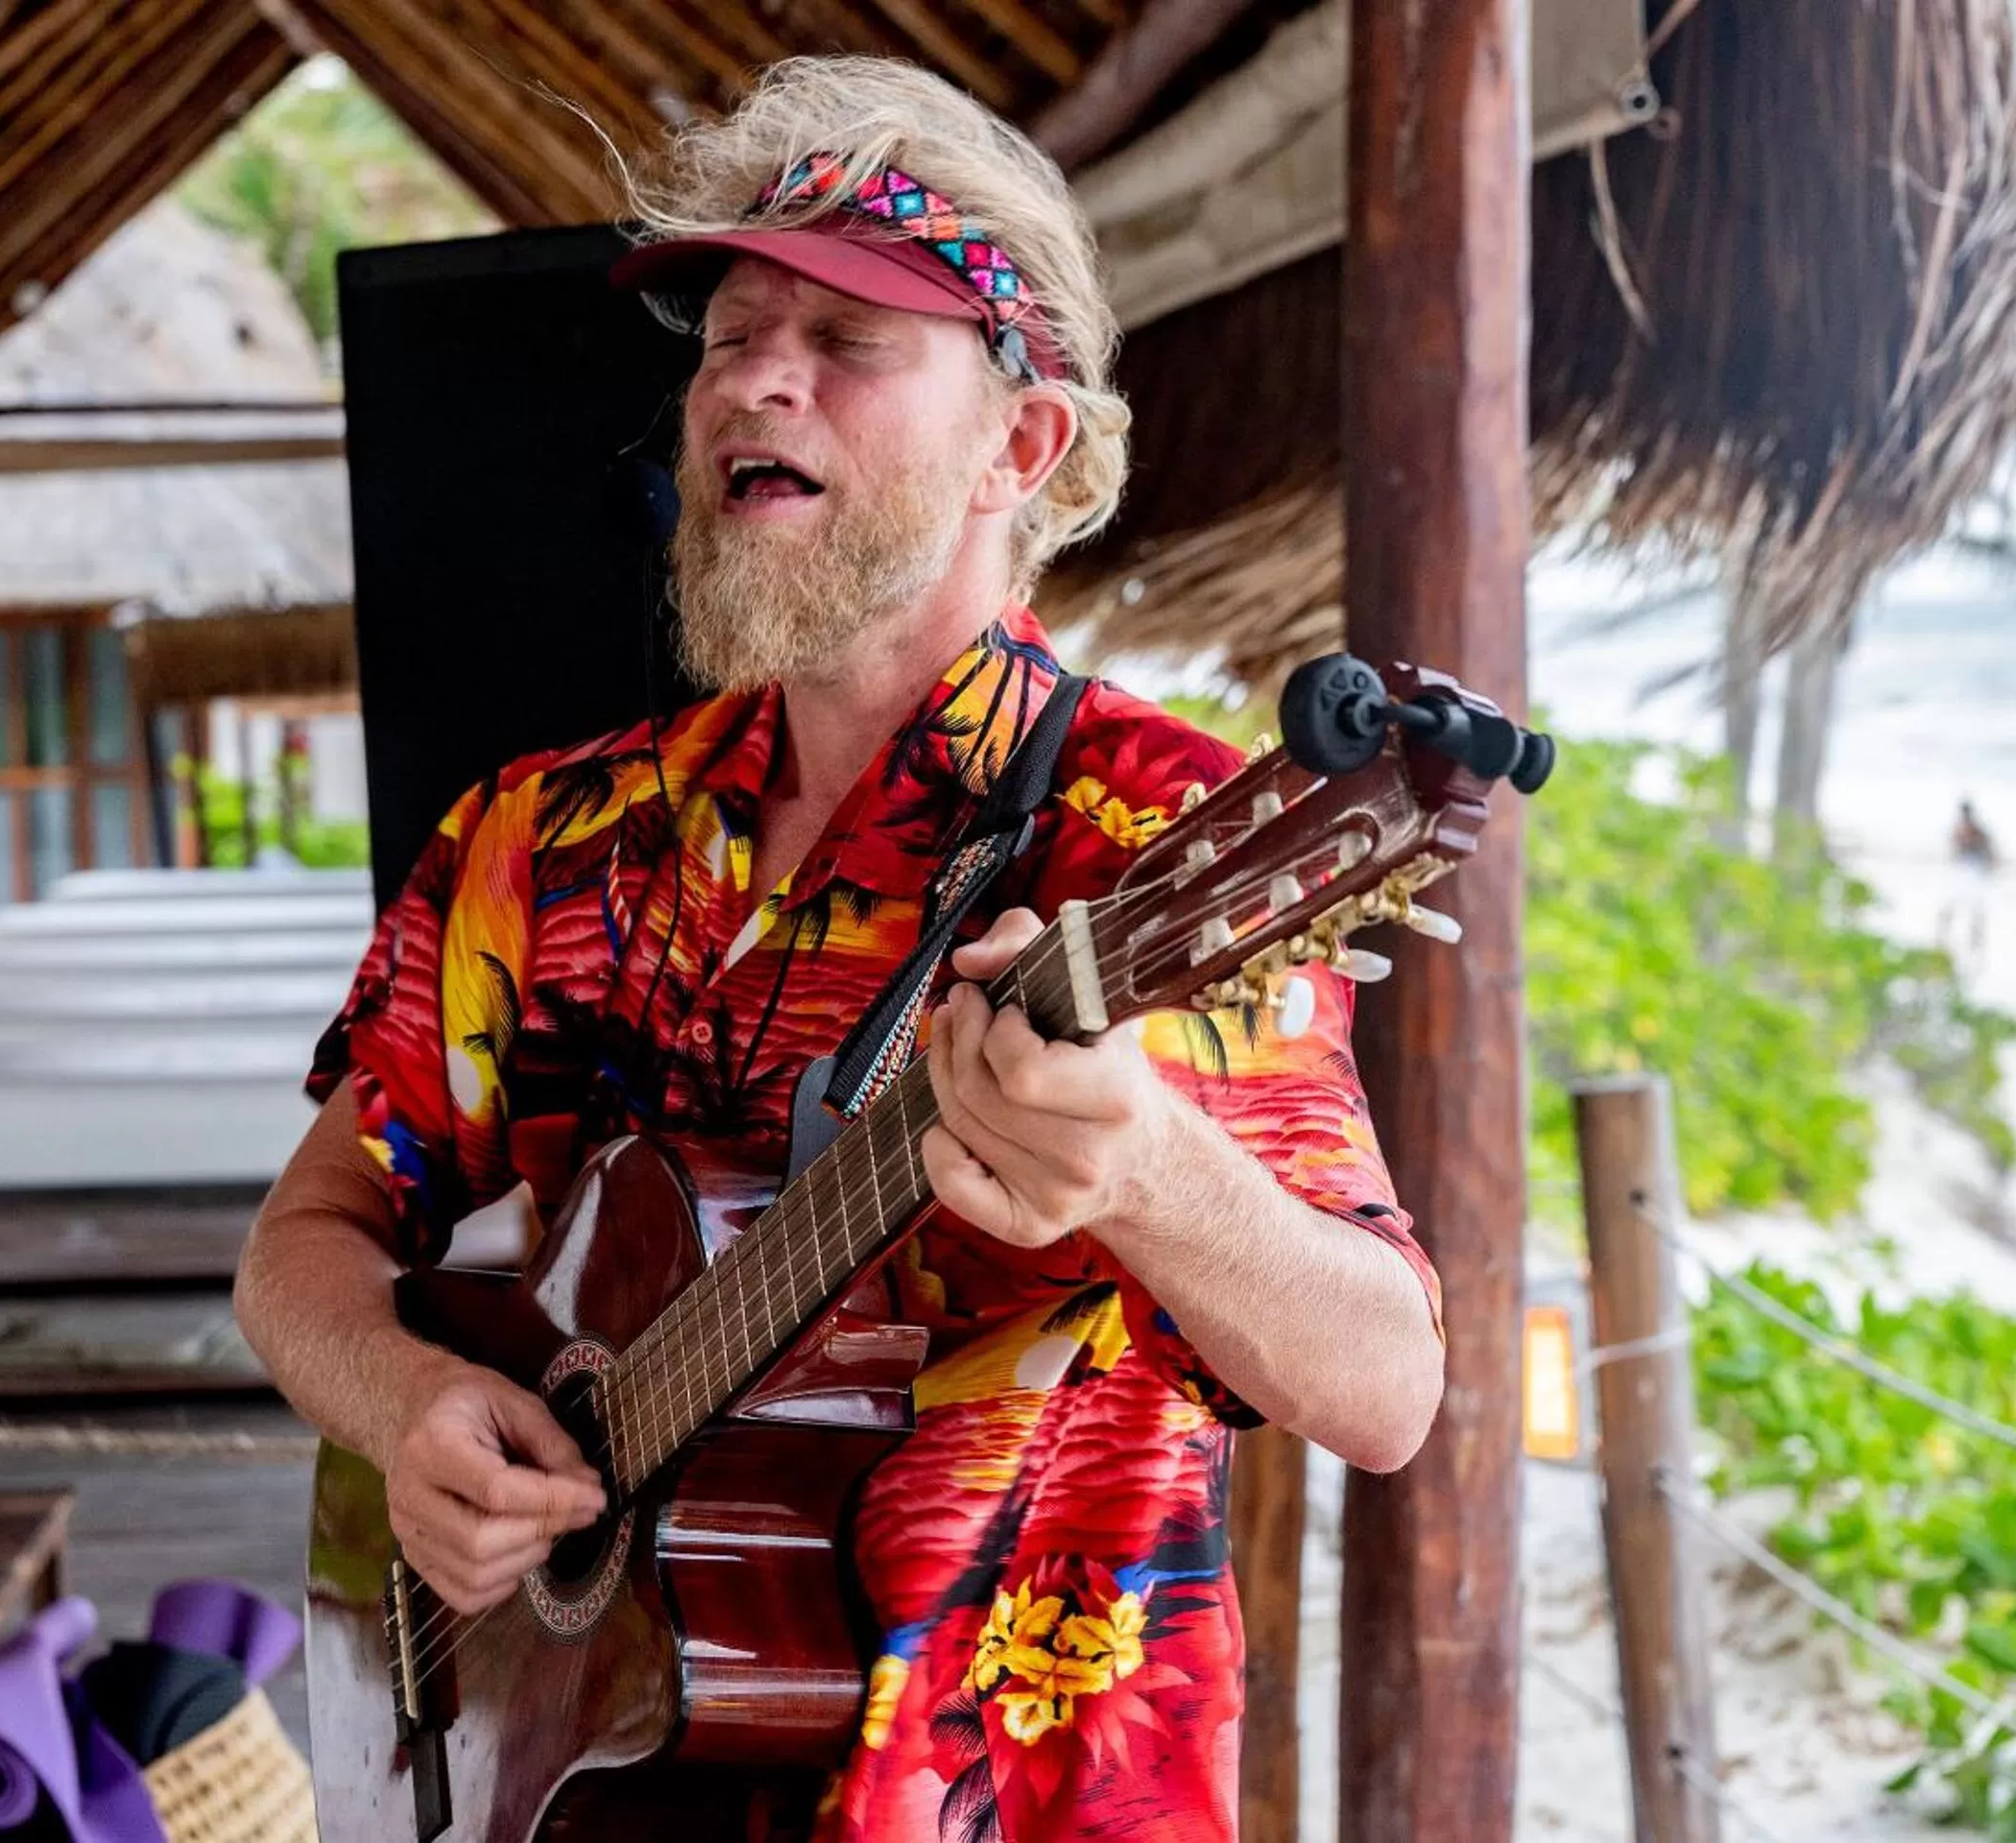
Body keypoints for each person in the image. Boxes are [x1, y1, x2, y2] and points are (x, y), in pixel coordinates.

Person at [235, 57, 1445, 1841]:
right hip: (567, 1786)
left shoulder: (1150, 840)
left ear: (1019, 445)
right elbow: (300, 1250)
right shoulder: (540, 838)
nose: (754, 381)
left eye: (850, 339)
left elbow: (1388, 1386)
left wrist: (1154, 1170)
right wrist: (410, 1400)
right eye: (730, 334)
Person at [1942, 796, 1999, 965]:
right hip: (1965, 872)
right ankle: (1947, 940)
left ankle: (1972, 942)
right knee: (1958, 908)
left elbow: (1990, 854)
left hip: (1973, 873)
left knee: (1973, 910)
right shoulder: (1965, 829)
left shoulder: (1976, 831)